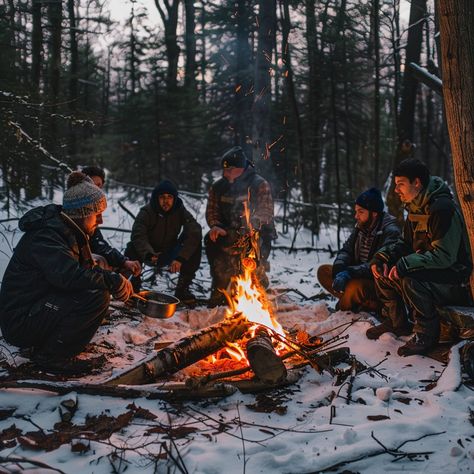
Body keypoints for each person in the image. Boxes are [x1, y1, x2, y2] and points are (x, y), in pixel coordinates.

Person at [0, 172, 134, 374]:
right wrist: (112, 281)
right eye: (96, 214)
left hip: (35, 308)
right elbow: (69, 276)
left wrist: (113, 275)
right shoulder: (47, 236)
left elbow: (80, 272)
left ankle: (56, 346)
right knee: (96, 296)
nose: (101, 220)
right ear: (81, 213)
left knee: (94, 289)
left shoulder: (66, 231)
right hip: (20, 322)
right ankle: (52, 358)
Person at [367, 159, 472, 356]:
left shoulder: (442, 209)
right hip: (434, 269)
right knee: (383, 269)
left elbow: (444, 256)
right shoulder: (415, 207)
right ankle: (396, 322)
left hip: (456, 279)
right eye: (396, 184)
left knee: (410, 278)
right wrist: (382, 257)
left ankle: (426, 334)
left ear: (417, 183)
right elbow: (404, 244)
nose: (396, 190)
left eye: (401, 184)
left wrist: (405, 264)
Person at [205, 146, 275, 307]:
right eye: (224, 170)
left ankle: (256, 292)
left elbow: (266, 212)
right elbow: (212, 211)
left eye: (229, 170)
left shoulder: (259, 184)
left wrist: (251, 226)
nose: (225, 174)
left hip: (257, 234)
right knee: (211, 242)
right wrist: (215, 226)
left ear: (240, 169)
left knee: (251, 262)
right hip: (227, 232)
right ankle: (220, 290)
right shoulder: (218, 187)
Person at [317, 188, 400, 312]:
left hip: (376, 284)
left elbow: (377, 265)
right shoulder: (361, 227)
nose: (356, 216)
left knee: (355, 287)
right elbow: (346, 251)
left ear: (374, 213)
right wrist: (340, 269)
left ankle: (350, 306)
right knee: (324, 271)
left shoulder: (390, 231)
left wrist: (349, 273)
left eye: (361, 212)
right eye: (356, 211)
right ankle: (356, 300)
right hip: (357, 273)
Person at [125, 180, 202, 304]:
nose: (166, 201)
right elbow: (138, 235)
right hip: (149, 254)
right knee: (132, 247)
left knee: (195, 241)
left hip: (170, 252)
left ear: (174, 198)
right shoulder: (147, 211)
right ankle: (133, 289)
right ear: (156, 198)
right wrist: (149, 254)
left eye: (170, 197)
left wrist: (181, 258)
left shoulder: (180, 210)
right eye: (162, 197)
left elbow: (195, 230)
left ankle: (182, 289)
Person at [81, 165, 141, 278]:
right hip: (73, 268)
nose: (95, 190)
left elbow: (98, 244)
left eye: (98, 186)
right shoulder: (75, 208)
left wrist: (123, 262)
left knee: (123, 267)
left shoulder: (93, 209)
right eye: (91, 185)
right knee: (101, 261)